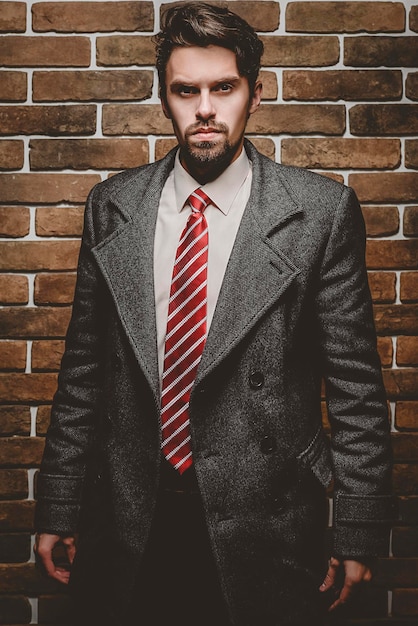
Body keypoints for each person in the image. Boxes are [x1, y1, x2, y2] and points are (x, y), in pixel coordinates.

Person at [34, 3, 395, 625]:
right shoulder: (112, 207)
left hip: (269, 515)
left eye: (223, 87)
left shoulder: (320, 212)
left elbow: (357, 391)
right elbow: (84, 376)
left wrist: (357, 532)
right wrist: (59, 507)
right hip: (131, 513)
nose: (205, 108)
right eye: (186, 90)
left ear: (253, 93)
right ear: (166, 98)